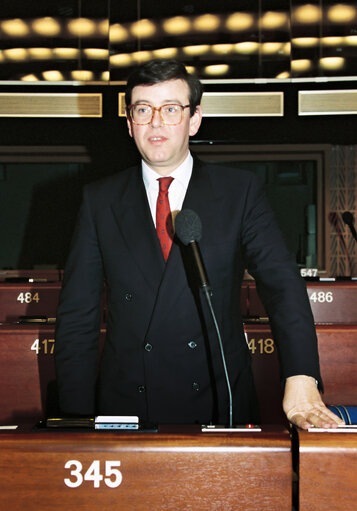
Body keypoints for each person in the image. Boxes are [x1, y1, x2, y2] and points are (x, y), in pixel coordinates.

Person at [55, 59, 343, 429]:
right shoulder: (99, 201)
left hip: (218, 400)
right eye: (143, 109)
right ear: (129, 124)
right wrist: (75, 420)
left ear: (194, 120)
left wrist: (302, 377)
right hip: (126, 405)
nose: (156, 122)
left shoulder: (239, 192)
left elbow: (283, 286)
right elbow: (77, 318)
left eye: (171, 109)